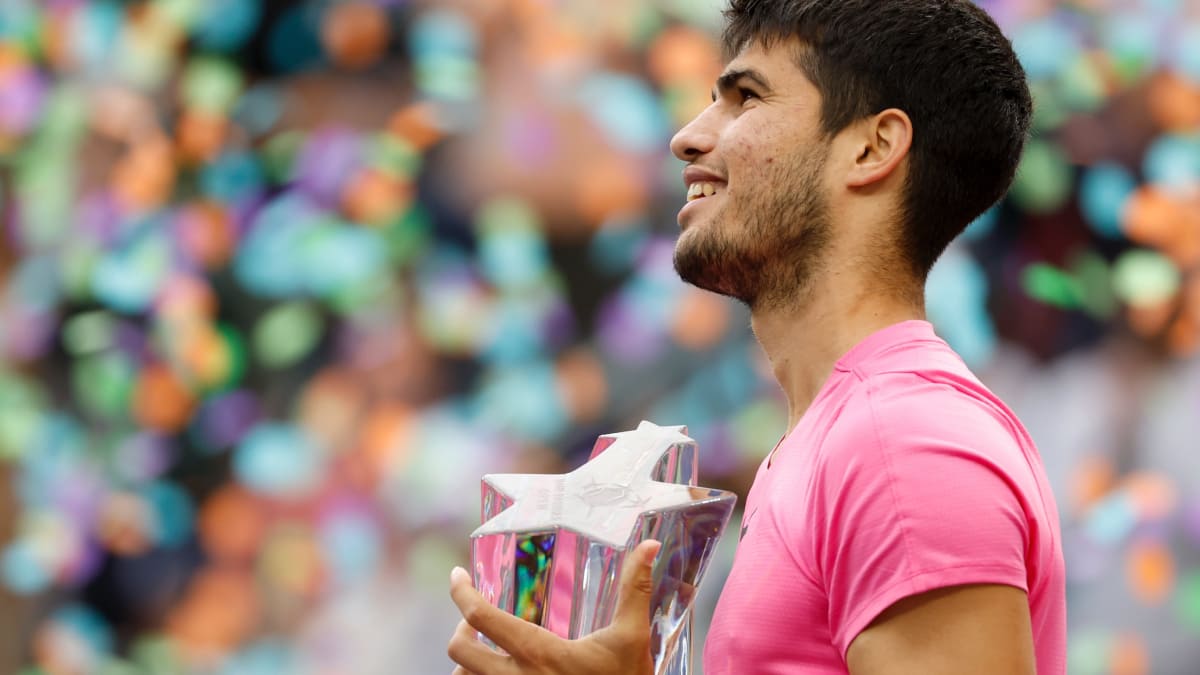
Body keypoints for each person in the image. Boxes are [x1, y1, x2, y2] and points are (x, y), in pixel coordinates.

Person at [446, 0, 1067, 673]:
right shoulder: (843, 437)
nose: (688, 136)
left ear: (873, 147)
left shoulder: (901, 446)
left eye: (745, 98)